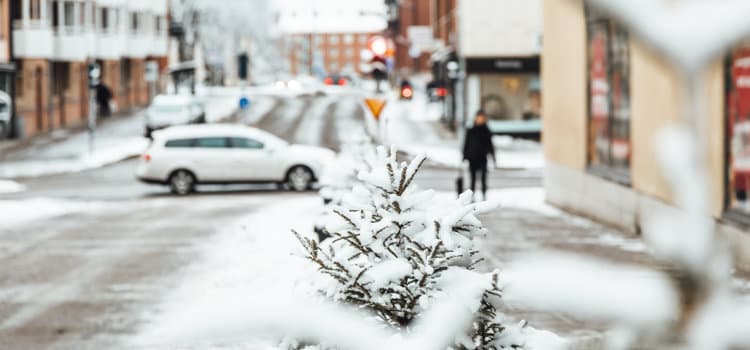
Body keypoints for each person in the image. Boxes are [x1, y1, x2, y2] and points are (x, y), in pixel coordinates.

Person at [463, 110, 495, 200]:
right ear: (476, 118)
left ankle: (484, 196)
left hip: (483, 158)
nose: (480, 119)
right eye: (479, 117)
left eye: (482, 118)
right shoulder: (471, 131)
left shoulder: (487, 131)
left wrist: (493, 157)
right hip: (472, 159)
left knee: (483, 179)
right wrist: (464, 157)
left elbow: (490, 145)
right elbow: (466, 144)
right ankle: (472, 197)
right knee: (472, 180)